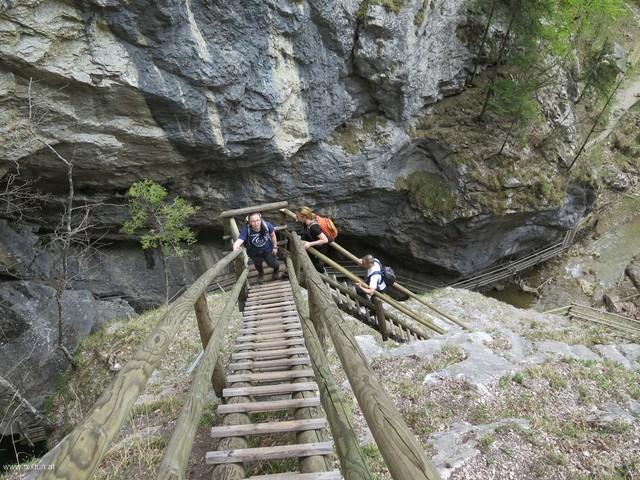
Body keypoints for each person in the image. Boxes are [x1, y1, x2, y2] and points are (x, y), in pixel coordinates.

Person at [232, 212, 280, 283]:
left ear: (260, 219)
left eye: (258, 220)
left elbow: (273, 236)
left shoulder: (267, 225)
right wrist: (235, 247)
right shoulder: (246, 230)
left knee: (274, 264)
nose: (256, 223)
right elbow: (240, 240)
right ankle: (261, 274)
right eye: (253, 221)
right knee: (258, 264)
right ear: (249, 222)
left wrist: (275, 247)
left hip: (268, 250)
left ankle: (276, 270)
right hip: (254, 252)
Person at [296, 206, 330, 273]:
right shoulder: (306, 223)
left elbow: (325, 240)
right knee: (314, 264)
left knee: (318, 266)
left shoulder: (314, 227)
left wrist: (310, 244)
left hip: (319, 249)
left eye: (297, 217)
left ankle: (322, 277)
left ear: (304, 217)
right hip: (314, 248)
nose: (296, 219)